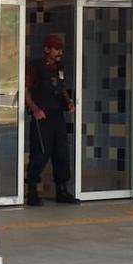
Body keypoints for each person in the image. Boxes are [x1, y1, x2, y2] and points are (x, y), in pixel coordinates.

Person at [24, 34, 78, 206]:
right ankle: (32, 190)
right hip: (42, 116)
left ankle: (62, 190)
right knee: (40, 152)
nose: (59, 52)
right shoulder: (35, 67)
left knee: (61, 152)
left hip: (57, 115)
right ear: (47, 49)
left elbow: (61, 88)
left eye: (61, 48)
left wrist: (68, 101)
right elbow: (25, 91)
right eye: (56, 48)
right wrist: (35, 109)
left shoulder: (59, 67)